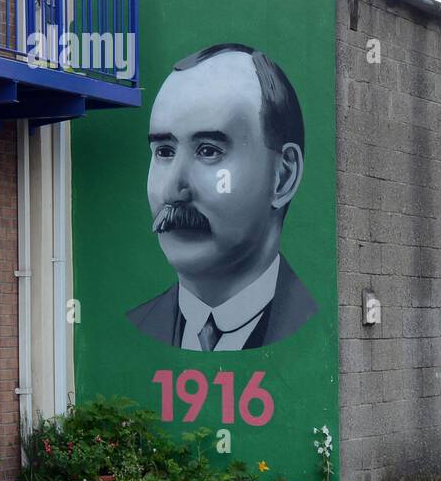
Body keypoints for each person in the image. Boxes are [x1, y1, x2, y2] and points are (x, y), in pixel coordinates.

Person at [126, 43, 318, 350]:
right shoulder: (141, 326)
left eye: (209, 151)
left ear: (283, 176)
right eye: (164, 151)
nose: (172, 190)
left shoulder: (314, 326)